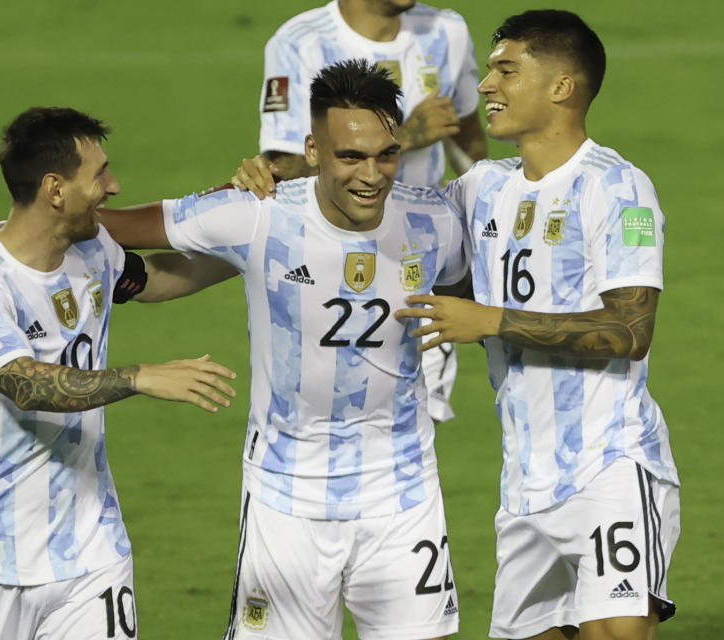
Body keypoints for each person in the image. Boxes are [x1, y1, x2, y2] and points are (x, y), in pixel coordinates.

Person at [105, 60, 467, 640]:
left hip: (403, 493)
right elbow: (113, 225)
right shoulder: (260, 215)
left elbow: (490, 278)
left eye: (387, 154)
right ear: (313, 150)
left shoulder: (434, 221)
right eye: (350, 156)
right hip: (286, 495)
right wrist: (5, 237)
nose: (372, 175)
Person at [397, 10, 681, 640]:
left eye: (506, 69)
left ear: (561, 87)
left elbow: (631, 329)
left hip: (610, 464)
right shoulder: (483, 187)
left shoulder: (617, 188)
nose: (486, 86)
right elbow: (382, 211)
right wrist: (276, 181)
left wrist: (489, 319)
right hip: (525, 485)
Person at [0, 106, 237, 640]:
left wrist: (257, 242)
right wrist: (137, 377)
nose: (114, 185)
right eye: (99, 174)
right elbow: (23, 382)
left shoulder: (92, 250)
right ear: (55, 190)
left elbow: (156, 276)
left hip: (91, 546)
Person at [251, 0, 488, 423]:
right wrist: (405, 137)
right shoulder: (300, 42)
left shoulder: (446, 30)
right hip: (326, 263)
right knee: (328, 411)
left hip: (419, 259)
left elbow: (467, 134)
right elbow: (281, 171)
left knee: (412, 416)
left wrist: (485, 224)